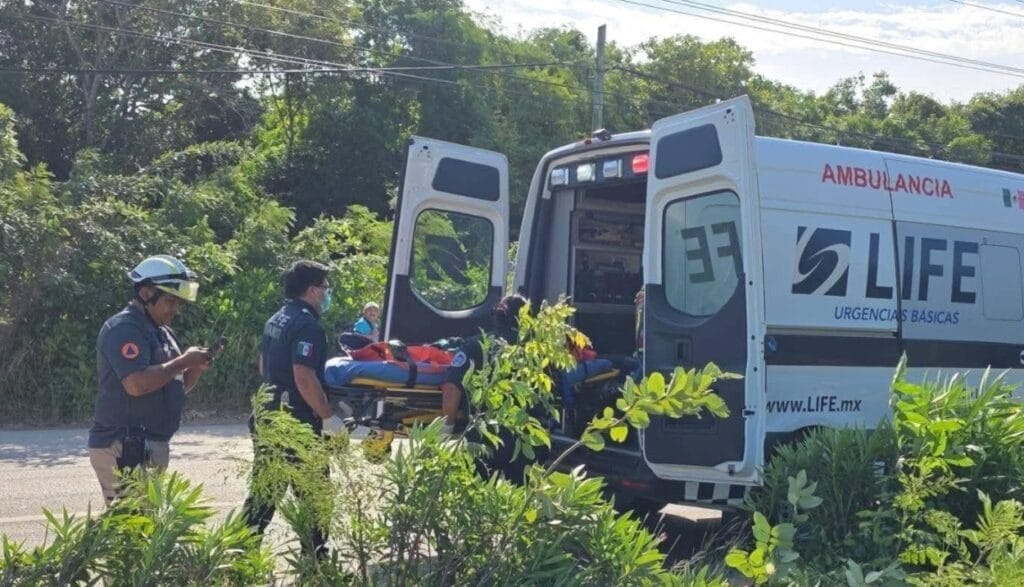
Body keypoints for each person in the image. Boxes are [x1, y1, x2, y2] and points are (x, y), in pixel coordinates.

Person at [88, 255, 213, 504]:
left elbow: (176, 387)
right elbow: (136, 384)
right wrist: (183, 361)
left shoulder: (164, 333)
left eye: (179, 302)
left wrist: (195, 367)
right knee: (130, 524)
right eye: (170, 301)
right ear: (146, 293)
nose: (176, 309)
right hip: (124, 445)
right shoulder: (124, 329)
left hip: (150, 444)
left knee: (146, 525)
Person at [243, 260, 347, 559]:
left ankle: (241, 554)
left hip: (269, 415)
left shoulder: (278, 318)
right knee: (315, 493)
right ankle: (314, 560)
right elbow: (304, 376)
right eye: (326, 288)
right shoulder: (307, 325)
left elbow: (264, 364)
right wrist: (328, 417)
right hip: (296, 423)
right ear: (313, 290)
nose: (328, 293)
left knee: (265, 492)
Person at [439, 294, 544, 483]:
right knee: (517, 502)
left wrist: (446, 428)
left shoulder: (475, 346)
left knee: (472, 494)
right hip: (525, 439)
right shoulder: (537, 354)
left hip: (482, 435)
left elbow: (452, 388)